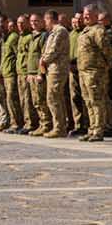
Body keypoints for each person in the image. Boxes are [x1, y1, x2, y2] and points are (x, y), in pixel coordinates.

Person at [76, 4, 110, 141]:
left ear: (96, 16)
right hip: (83, 71)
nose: (85, 17)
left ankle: (99, 130)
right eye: (84, 14)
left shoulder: (98, 31)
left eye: (88, 15)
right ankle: (92, 128)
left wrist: (105, 66)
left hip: (94, 72)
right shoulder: (85, 30)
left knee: (97, 101)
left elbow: (106, 50)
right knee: (88, 101)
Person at [38, 9, 71, 138]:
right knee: (55, 97)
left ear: (50, 19)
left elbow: (53, 50)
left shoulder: (60, 31)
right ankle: (59, 125)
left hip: (58, 68)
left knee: (53, 97)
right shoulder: (53, 32)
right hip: (52, 68)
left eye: (45, 20)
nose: (45, 23)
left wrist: (43, 60)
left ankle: (59, 127)